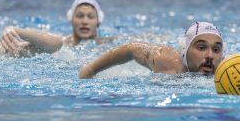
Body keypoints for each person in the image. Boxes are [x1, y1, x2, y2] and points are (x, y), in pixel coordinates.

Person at [79, 21, 224, 78]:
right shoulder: (166, 60)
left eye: (216, 49)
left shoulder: (227, 70)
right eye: (201, 47)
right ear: (185, 49)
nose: (210, 55)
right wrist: (92, 68)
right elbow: (131, 49)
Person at [0, 0, 106, 57]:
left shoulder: (108, 44)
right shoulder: (62, 41)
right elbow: (54, 42)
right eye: (79, 16)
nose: (85, 21)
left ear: (98, 21)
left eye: (90, 17)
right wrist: (13, 30)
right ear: (71, 19)